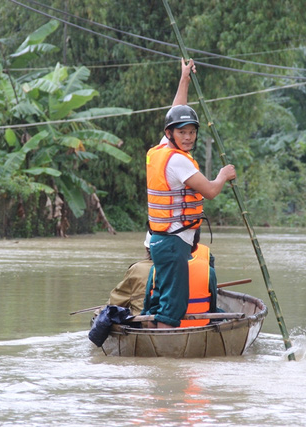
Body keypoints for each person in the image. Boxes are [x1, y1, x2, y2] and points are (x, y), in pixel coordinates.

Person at [145, 58, 236, 328]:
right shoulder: (179, 160)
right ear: (171, 134)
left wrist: (184, 78)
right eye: (182, 133)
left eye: (192, 132)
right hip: (173, 244)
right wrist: (223, 175)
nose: (188, 138)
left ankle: (151, 338)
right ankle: (165, 359)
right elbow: (209, 191)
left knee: (162, 297)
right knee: (173, 306)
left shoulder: (164, 149)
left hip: (160, 241)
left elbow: (176, 110)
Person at [142, 229, 219, 327]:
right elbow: (213, 306)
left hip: (166, 327)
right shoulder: (209, 271)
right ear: (195, 244)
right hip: (200, 325)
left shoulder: (157, 269)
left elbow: (149, 303)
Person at [105, 234, 153, 316]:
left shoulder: (137, 269)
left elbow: (116, 301)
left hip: (143, 323)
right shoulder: (181, 267)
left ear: (147, 249)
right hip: (179, 323)